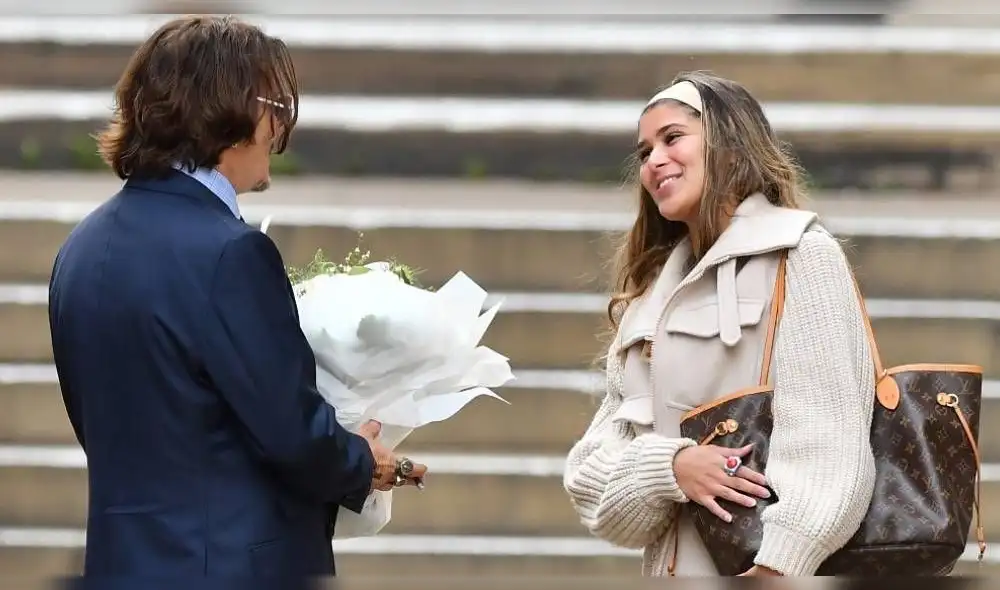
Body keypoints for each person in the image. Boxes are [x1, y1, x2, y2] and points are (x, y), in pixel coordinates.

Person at [47, 15, 426, 577]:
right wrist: (359, 460)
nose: (278, 127)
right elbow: (289, 431)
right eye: (273, 105)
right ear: (227, 110)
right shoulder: (230, 254)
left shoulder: (80, 248)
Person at [562, 71, 877, 576]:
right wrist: (670, 469)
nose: (654, 162)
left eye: (672, 138)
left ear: (730, 146)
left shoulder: (801, 256)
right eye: (644, 152)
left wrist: (779, 567)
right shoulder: (651, 297)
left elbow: (830, 447)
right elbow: (590, 479)